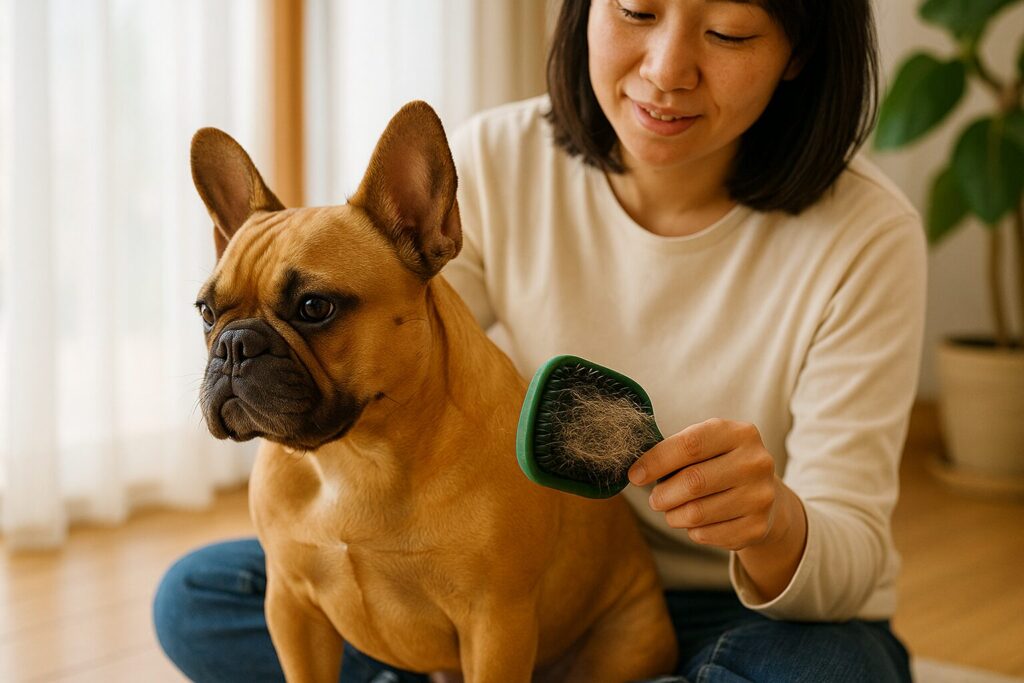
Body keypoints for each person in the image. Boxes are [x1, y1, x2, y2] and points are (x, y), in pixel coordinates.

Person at [153, 0, 924, 681]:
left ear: (799, 54)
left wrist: (773, 520)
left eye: (726, 31)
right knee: (196, 597)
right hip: (497, 572)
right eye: (634, 10)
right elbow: (417, 339)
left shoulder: (865, 237)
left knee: (834, 667)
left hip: (735, 606)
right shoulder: (499, 158)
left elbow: (850, 554)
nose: (665, 69)